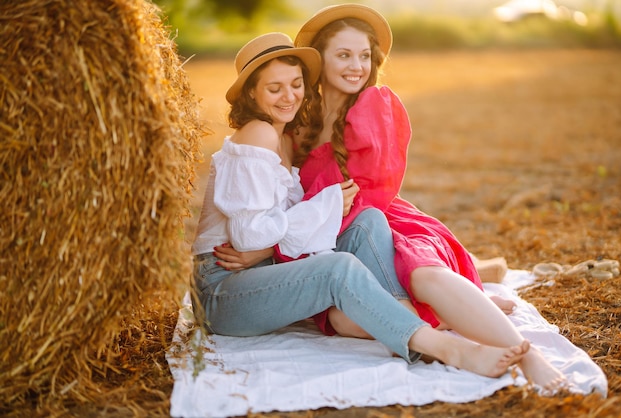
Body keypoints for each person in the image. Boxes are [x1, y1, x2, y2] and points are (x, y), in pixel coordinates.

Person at [191, 32, 530, 378]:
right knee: (337, 270)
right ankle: (450, 349)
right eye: (274, 88)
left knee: (366, 220)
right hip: (223, 292)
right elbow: (249, 238)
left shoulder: (281, 136)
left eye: (295, 84)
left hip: (259, 275)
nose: (289, 96)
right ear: (251, 92)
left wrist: (318, 215)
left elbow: (272, 233)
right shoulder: (257, 134)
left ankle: (406, 316)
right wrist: (327, 203)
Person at [291, 4, 567, 392]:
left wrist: (327, 219)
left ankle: (527, 354)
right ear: (320, 60)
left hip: (379, 222)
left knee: (421, 272)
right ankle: (449, 309)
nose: (357, 66)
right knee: (342, 321)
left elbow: (378, 189)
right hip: (322, 243)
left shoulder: (373, 104)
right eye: (343, 55)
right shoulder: (300, 119)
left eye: (365, 56)